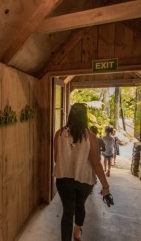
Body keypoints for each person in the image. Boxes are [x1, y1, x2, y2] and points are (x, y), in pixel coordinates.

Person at [53, 103, 110, 241]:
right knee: (80, 205)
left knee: (67, 211)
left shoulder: (59, 134)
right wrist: (105, 186)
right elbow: (96, 164)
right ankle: (77, 232)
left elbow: (57, 159)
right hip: (84, 180)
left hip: (63, 179)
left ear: (70, 115)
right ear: (84, 117)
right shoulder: (90, 137)